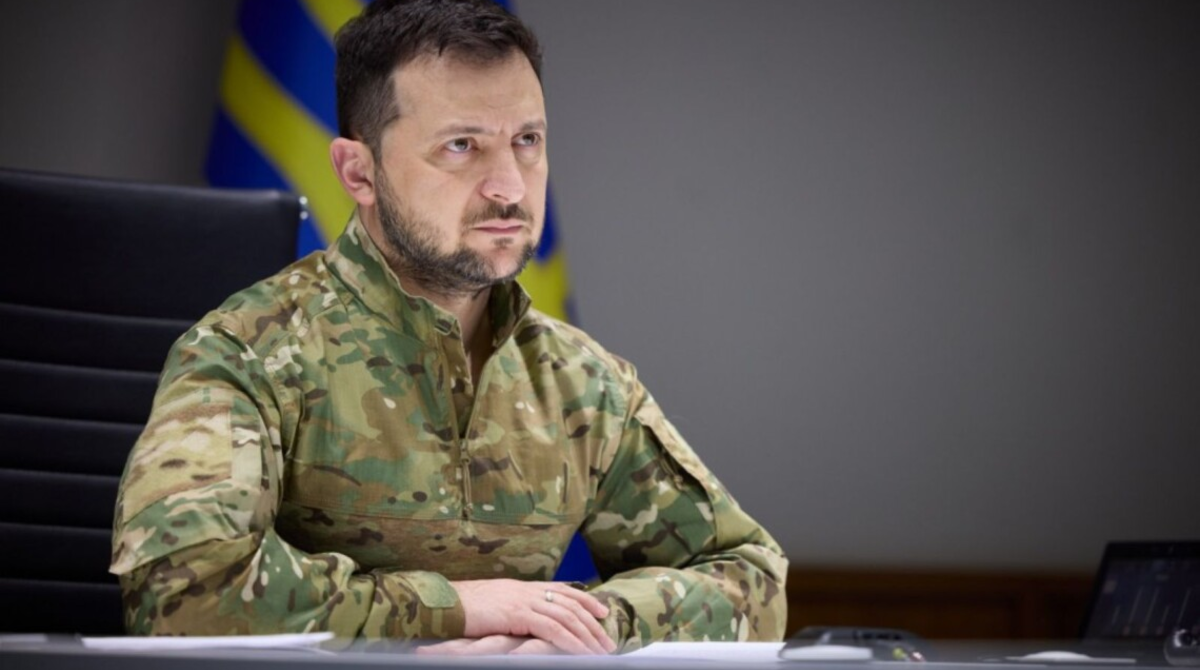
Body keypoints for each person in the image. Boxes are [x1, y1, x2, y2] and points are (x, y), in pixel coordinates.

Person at [110, 0, 786, 655]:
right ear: (359, 172)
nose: (510, 187)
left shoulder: (582, 383)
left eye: (527, 142)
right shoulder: (247, 354)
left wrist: (573, 626)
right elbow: (183, 593)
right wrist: (454, 609)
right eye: (462, 146)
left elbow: (751, 579)